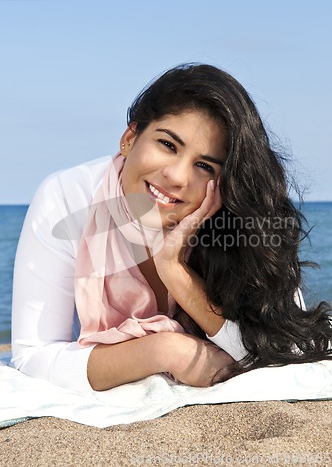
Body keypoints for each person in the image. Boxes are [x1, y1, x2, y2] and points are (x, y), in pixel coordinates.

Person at [11, 63, 332, 392]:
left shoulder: (242, 220)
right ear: (129, 138)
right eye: (167, 145)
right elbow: (32, 359)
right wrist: (163, 351)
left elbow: (287, 354)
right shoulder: (68, 197)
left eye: (204, 165)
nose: (177, 177)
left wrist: (175, 272)